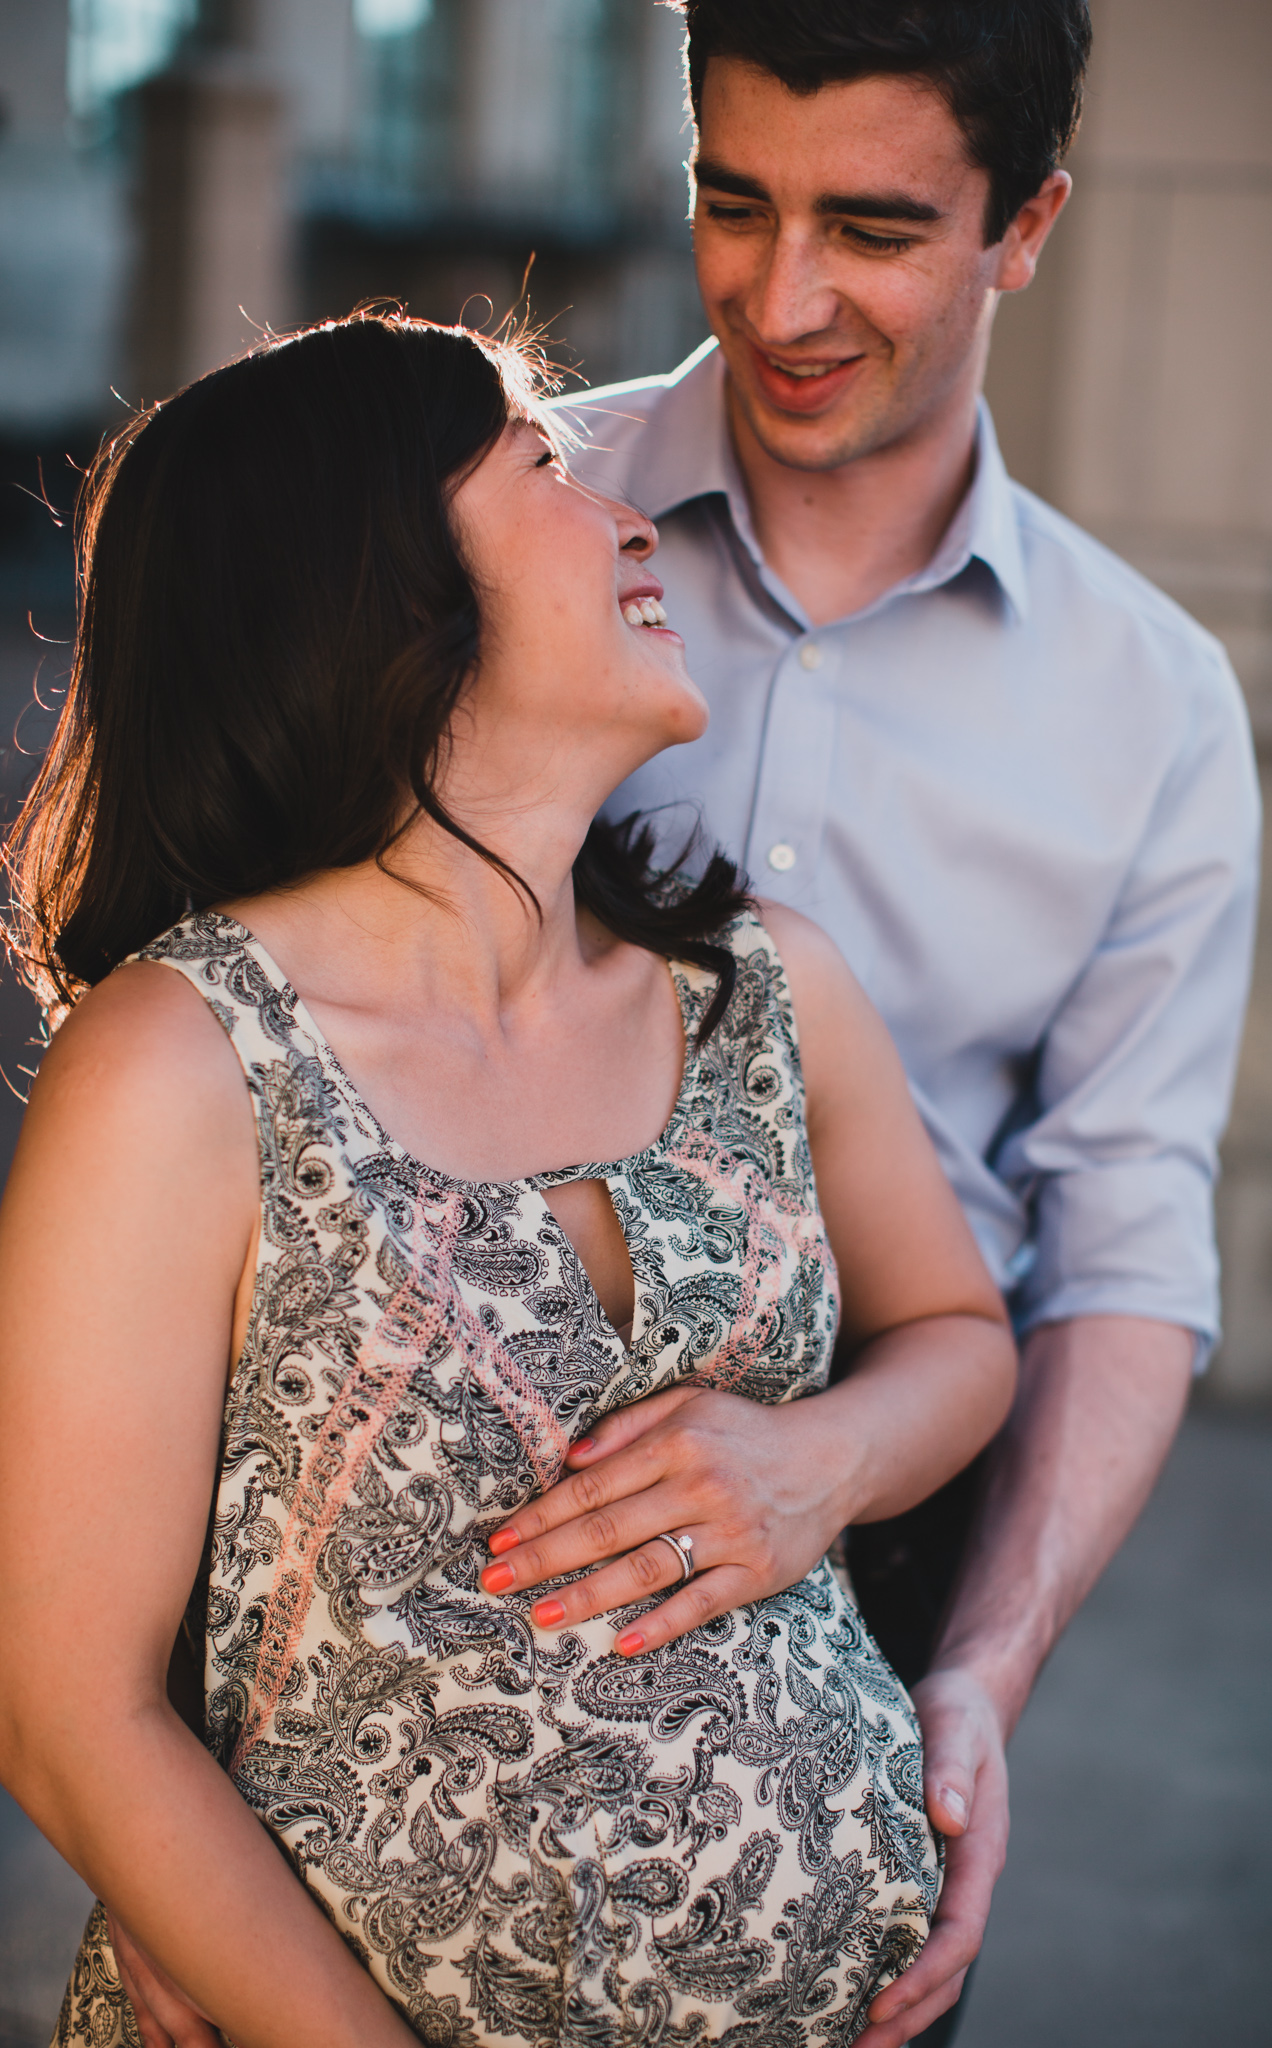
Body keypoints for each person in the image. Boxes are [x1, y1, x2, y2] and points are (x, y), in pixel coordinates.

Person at [0, 312, 1017, 2048]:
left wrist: (821, 1459)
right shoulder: (180, 1062)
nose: (630, 522)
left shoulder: (768, 988)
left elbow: (961, 1336)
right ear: (380, 582)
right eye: (543, 466)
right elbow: (64, 1708)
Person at [544, 3, 1261, 2041]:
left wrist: (977, 1674)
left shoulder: (1152, 707)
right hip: (439, 1464)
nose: (781, 301)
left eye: (869, 229)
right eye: (732, 204)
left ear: (1023, 223)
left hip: (878, 1565)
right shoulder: (492, 511)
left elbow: (1121, 1247)